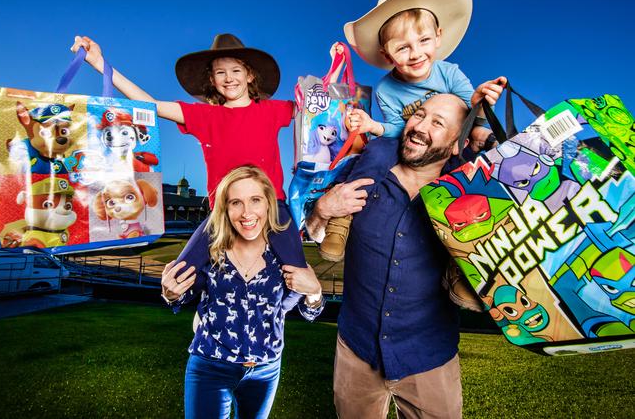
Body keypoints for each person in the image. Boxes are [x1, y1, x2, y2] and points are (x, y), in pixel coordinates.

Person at [70, 33, 307, 274]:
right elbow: (152, 105)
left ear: (250, 75)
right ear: (212, 80)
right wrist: (100, 64)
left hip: (270, 205)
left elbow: (318, 114)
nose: (229, 78)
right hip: (223, 210)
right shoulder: (204, 116)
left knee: (299, 270)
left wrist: (337, 74)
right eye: (220, 72)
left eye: (236, 70)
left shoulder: (273, 110)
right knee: (181, 273)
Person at [319, 0, 506, 262]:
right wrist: (372, 127)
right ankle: (342, 221)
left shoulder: (450, 73)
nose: (416, 53)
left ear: (438, 37)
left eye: (423, 41)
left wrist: (480, 103)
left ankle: (468, 260)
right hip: (409, 146)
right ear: (387, 53)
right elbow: (396, 129)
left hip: (448, 145)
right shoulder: (386, 89)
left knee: (472, 176)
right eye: (403, 47)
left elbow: (468, 114)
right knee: (377, 151)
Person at [306, 94, 474, 419]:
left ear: (456, 144)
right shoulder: (366, 173)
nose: (419, 127)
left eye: (437, 123)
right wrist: (323, 210)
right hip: (357, 349)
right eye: (419, 115)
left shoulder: (465, 198)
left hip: (428, 356)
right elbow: (316, 234)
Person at [161, 165, 324, 419]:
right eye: (236, 202)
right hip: (210, 366)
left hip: (265, 371)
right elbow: (185, 295)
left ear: (269, 204)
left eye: (255, 200)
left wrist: (315, 291)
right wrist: (171, 293)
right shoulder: (211, 251)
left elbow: (307, 310)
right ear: (225, 208)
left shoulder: (284, 256)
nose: (247, 213)